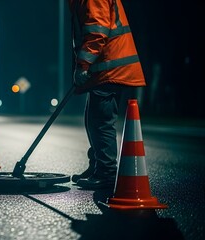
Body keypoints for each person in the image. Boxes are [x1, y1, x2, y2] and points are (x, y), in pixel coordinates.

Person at [68, 0, 146, 189]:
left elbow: (97, 30)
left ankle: (106, 173)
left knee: (101, 122)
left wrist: (83, 65)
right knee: (92, 119)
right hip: (106, 67)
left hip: (111, 67)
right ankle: (98, 167)